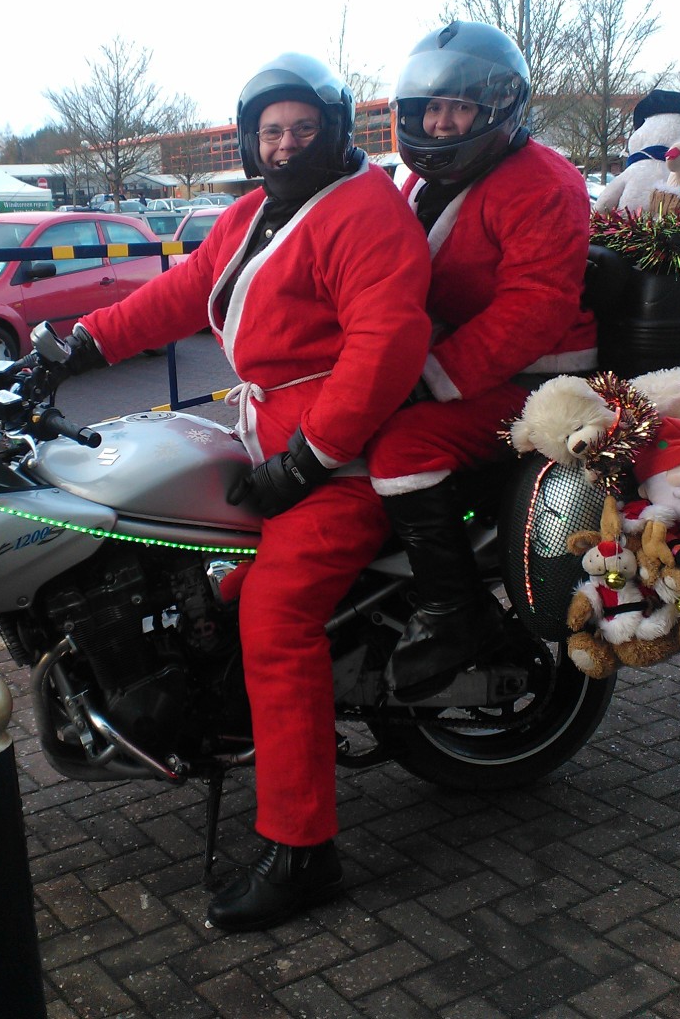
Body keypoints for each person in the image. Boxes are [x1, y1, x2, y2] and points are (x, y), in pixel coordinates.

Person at [45, 53, 433, 931]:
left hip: (345, 456)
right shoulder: (257, 211)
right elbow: (181, 293)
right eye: (271, 131)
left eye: (302, 129)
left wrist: (310, 460)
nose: (286, 145)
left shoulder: (365, 215)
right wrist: (75, 347)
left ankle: (304, 850)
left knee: (276, 615)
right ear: (252, 140)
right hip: (270, 437)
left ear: (334, 134)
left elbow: (385, 346)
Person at [369, 21, 598, 699]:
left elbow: (534, 309)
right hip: (461, 362)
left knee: (401, 449)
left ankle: (454, 614)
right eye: (428, 110)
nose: (440, 124)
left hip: (535, 380)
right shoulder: (416, 181)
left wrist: (426, 379)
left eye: (457, 109)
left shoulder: (542, 181)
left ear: (496, 109)